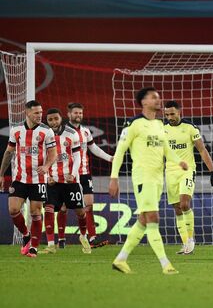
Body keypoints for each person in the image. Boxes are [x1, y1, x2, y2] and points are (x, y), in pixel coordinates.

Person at [109, 87, 188, 275]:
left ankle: (120, 260)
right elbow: (120, 152)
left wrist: (179, 161)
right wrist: (113, 178)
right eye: (154, 98)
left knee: (144, 220)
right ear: (144, 102)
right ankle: (165, 264)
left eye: (158, 98)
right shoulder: (134, 124)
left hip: (157, 178)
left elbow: (166, 149)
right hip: (143, 177)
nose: (158, 101)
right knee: (153, 218)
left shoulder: (160, 125)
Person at [0, 100, 57, 257]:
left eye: (41, 112)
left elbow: (53, 154)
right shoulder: (16, 130)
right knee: (13, 209)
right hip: (19, 178)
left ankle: (34, 248)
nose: (40, 115)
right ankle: (25, 234)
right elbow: (9, 152)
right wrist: (0, 173)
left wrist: (46, 166)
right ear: (27, 113)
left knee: (35, 212)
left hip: (38, 179)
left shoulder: (47, 132)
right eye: (36, 113)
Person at [163, 101, 213, 255]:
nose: (170, 117)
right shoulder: (162, 130)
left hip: (187, 170)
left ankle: (191, 240)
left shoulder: (190, 128)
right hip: (170, 172)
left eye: (172, 114)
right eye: (167, 114)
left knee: (184, 204)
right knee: (177, 208)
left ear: (179, 112)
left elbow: (202, 150)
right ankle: (186, 244)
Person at [41, 108, 91, 254]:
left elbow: (77, 157)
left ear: (61, 118)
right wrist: (46, 176)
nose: (53, 122)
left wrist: (74, 174)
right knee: (49, 209)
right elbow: (41, 158)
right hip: (52, 180)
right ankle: (51, 244)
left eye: (56, 118)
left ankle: (83, 236)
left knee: (81, 212)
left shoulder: (71, 134)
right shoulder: (43, 135)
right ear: (47, 121)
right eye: (50, 120)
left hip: (70, 181)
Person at [65, 102, 113, 248]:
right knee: (62, 207)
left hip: (85, 174)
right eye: (75, 113)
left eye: (80, 113)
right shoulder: (63, 131)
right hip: (69, 175)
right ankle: (59, 240)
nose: (78, 115)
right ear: (69, 114)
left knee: (89, 206)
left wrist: (110, 158)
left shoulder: (85, 131)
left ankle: (90, 238)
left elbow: (94, 148)